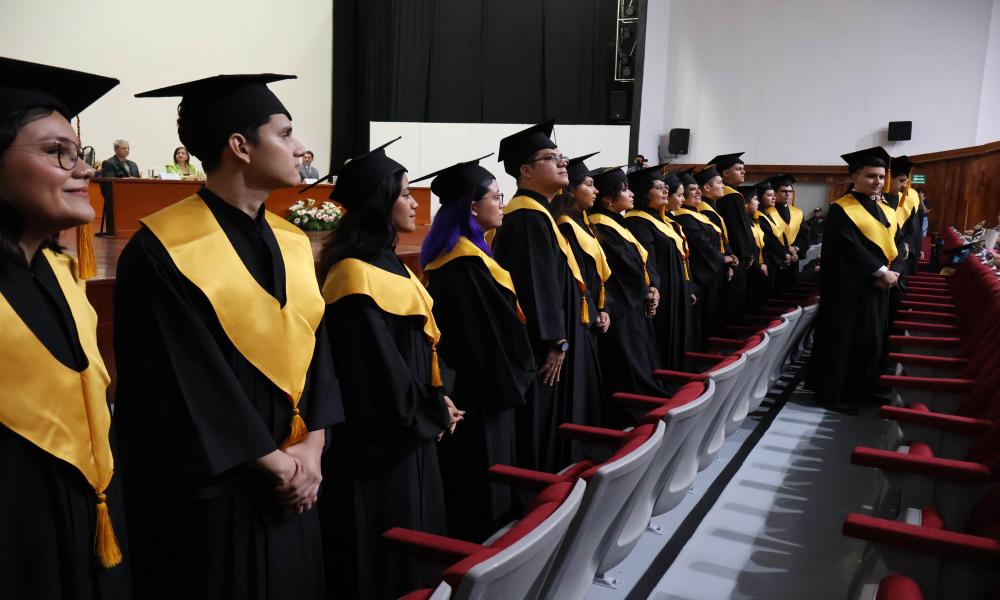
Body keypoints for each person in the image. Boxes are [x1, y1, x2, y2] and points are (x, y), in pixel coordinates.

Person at [115, 73, 344, 600]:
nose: (301, 148)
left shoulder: (292, 241)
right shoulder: (161, 251)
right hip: (222, 498)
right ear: (240, 147)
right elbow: (180, 384)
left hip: (299, 485)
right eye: (285, 134)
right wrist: (279, 464)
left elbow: (319, 353)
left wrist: (313, 449)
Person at [0, 56, 129, 600]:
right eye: (58, 153)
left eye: (81, 155)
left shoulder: (59, 274)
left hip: (89, 536)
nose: (84, 171)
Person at [316, 139, 460, 599]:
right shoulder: (353, 275)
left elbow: (417, 352)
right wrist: (431, 410)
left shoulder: (386, 264)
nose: (413, 203)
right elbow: (376, 374)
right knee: (384, 556)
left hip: (411, 430)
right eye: (403, 193)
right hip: (380, 446)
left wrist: (440, 398)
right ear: (379, 203)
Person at [415, 155, 536, 541]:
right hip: (481, 391)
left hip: (481, 385)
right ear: (472, 207)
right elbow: (489, 339)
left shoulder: (468, 256)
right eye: (496, 198)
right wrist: (519, 370)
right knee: (482, 476)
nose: (502, 205)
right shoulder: (464, 264)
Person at [490, 120, 595, 472]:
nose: (563, 162)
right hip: (541, 347)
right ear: (526, 170)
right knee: (541, 420)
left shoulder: (541, 214)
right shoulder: (526, 216)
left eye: (561, 156)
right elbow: (536, 285)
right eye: (552, 157)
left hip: (553, 341)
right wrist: (555, 341)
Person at [805, 147, 899, 414]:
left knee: (871, 338)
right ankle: (832, 392)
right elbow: (850, 249)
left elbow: (893, 242)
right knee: (844, 339)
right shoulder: (841, 209)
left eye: (881, 176)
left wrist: (891, 271)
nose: (878, 181)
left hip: (875, 287)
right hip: (848, 290)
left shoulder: (881, 207)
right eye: (871, 176)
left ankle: (863, 388)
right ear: (854, 177)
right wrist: (880, 272)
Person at [589, 165, 666, 424]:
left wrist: (653, 287)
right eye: (624, 189)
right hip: (623, 311)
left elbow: (642, 261)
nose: (632, 194)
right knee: (627, 367)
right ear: (608, 199)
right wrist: (645, 291)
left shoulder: (617, 224)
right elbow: (621, 268)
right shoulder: (601, 226)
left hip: (636, 307)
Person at [548, 152, 608, 431]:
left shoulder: (583, 224)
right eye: (588, 184)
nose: (595, 190)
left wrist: (603, 308)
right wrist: (594, 310)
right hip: (575, 320)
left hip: (589, 317)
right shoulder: (564, 224)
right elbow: (572, 279)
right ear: (570, 189)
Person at [625, 164, 692, 369]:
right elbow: (646, 261)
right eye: (658, 187)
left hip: (675, 288)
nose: (665, 191)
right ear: (644, 192)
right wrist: (653, 286)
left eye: (665, 187)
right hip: (661, 291)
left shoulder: (662, 220)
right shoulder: (637, 221)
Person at [670, 169, 727, 350]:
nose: (698, 192)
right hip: (699, 276)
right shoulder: (683, 218)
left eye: (697, 188)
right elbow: (701, 245)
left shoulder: (699, 215)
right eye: (692, 189)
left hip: (710, 273)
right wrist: (723, 259)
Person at [706, 152, 756, 326]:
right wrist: (747, 253)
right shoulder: (731, 195)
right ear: (725, 173)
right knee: (732, 302)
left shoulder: (724, 194)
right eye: (738, 169)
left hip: (728, 253)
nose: (743, 172)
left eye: (744, 169)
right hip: (735, 255)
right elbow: (738, 229)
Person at [694, 164, 741, 332]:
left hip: (718, 268)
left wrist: (729, 259)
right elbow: (707, 244)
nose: (723, 186)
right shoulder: (702, 212)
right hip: (708, 272)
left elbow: (721, 239)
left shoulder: (712, 208)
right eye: (720, 183)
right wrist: (725, 259)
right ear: (706, 187)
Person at [766, 174, 808, 294]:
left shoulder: (798, 212)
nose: (788, 194)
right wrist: (785, 250)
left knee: (791, 292)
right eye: (784, 191)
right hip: (775, 259)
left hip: (793, 259)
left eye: (790, 191)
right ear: (774, 192)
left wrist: (796, 249)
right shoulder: (766, 212)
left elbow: (804, 235)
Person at [754, 180, 792, 300]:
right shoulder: (758, 216)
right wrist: (783, 253)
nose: (774, 198)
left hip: (775, 259)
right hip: (767, 260)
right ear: (759, 198)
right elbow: (769, 240)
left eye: (774, 195)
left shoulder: (768, 214)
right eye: (769, 195)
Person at [739, 185, 769, 312]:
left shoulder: (753, 221)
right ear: (745, 203)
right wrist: (758, 265)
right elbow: (747, 247)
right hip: (750, 269)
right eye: (755, 199)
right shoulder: (743, 223)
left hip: (759, 267)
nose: (758, 202)